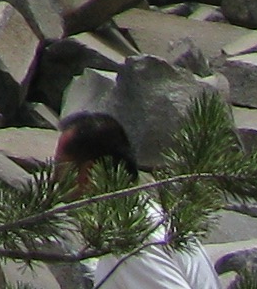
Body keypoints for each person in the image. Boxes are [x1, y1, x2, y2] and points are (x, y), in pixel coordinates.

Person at [59, 107, 217, 289]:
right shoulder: (150, 217)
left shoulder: (131, 237)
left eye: (59, 168)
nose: (53, 178)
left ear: (88, 172)